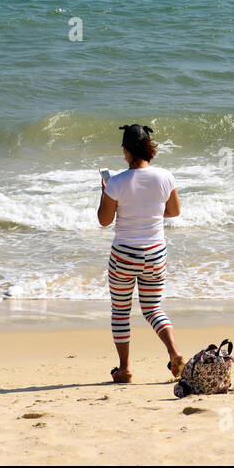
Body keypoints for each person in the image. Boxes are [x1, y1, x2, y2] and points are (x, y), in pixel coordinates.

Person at [97, 124, 184, 383]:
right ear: (149, 148)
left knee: (121, 312)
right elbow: (174, 211)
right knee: (153, 308)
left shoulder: (116, 182)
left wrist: (104, 191)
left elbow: (104, 220)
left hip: (125, 254)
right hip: (156, 254)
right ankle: (174, 352)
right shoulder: (166, 177)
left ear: (126, 151)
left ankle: (124, 369)